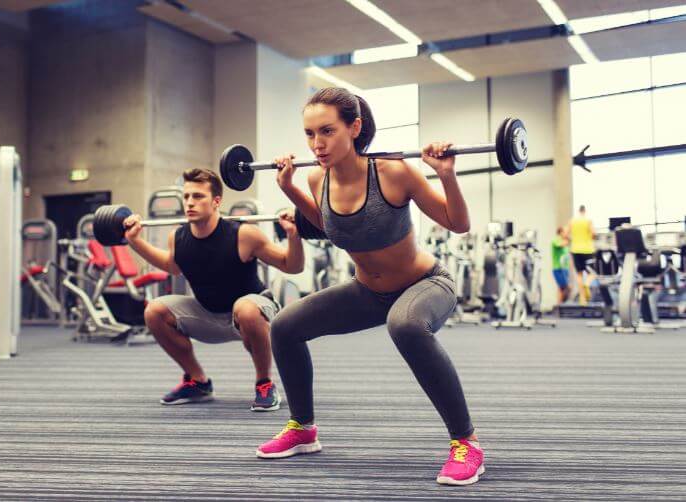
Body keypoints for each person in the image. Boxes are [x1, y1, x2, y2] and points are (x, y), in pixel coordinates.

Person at [256, 87, 484, 486]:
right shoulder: (317, 177)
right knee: (285, 326)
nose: (316, 143)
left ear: (355, 127)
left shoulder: (394, 172)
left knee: (406, 325)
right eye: (309, 134)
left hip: (425, 284)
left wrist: (446, 175)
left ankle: (467, 443)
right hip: (368, 292)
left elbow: (458, 223)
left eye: (327, 131)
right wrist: (289, 188)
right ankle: (302, 428)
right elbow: (329, 226)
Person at [122, 168, 304, 412]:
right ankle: (197, 381)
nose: (190, 203)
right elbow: (171, 266)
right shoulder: (178, 237)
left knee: (245, 308)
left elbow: (292, 266)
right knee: (154, 311)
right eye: (187, 197)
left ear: (216, 201)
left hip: (253, 313)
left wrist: (293, 235)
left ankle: (264, 383)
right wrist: (135, 241)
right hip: (208, 314)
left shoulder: (243, 234)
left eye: (198, 196)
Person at [566, 205, 595, 306]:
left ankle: (582, 300)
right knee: (593, 272)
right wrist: (589, 238)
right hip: (588, 249)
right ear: (585, 211)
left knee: (579, 274)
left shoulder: (572, 221)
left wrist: (573, 240)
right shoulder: (588, 220)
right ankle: (587, 283)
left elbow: (566, 234)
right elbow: (593, 234)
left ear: (578, 211)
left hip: (575, 249)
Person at [552, 226, 571, 304]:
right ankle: (559, 304)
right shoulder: (556, 240)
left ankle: (561, 304)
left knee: (563, 288)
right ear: (561, 232)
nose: (567, 234)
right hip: (558, 268)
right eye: (565, 232)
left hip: (565, 268)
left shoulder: (566, 242)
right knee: (563, 287)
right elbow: (561, 245)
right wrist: (569, 239)